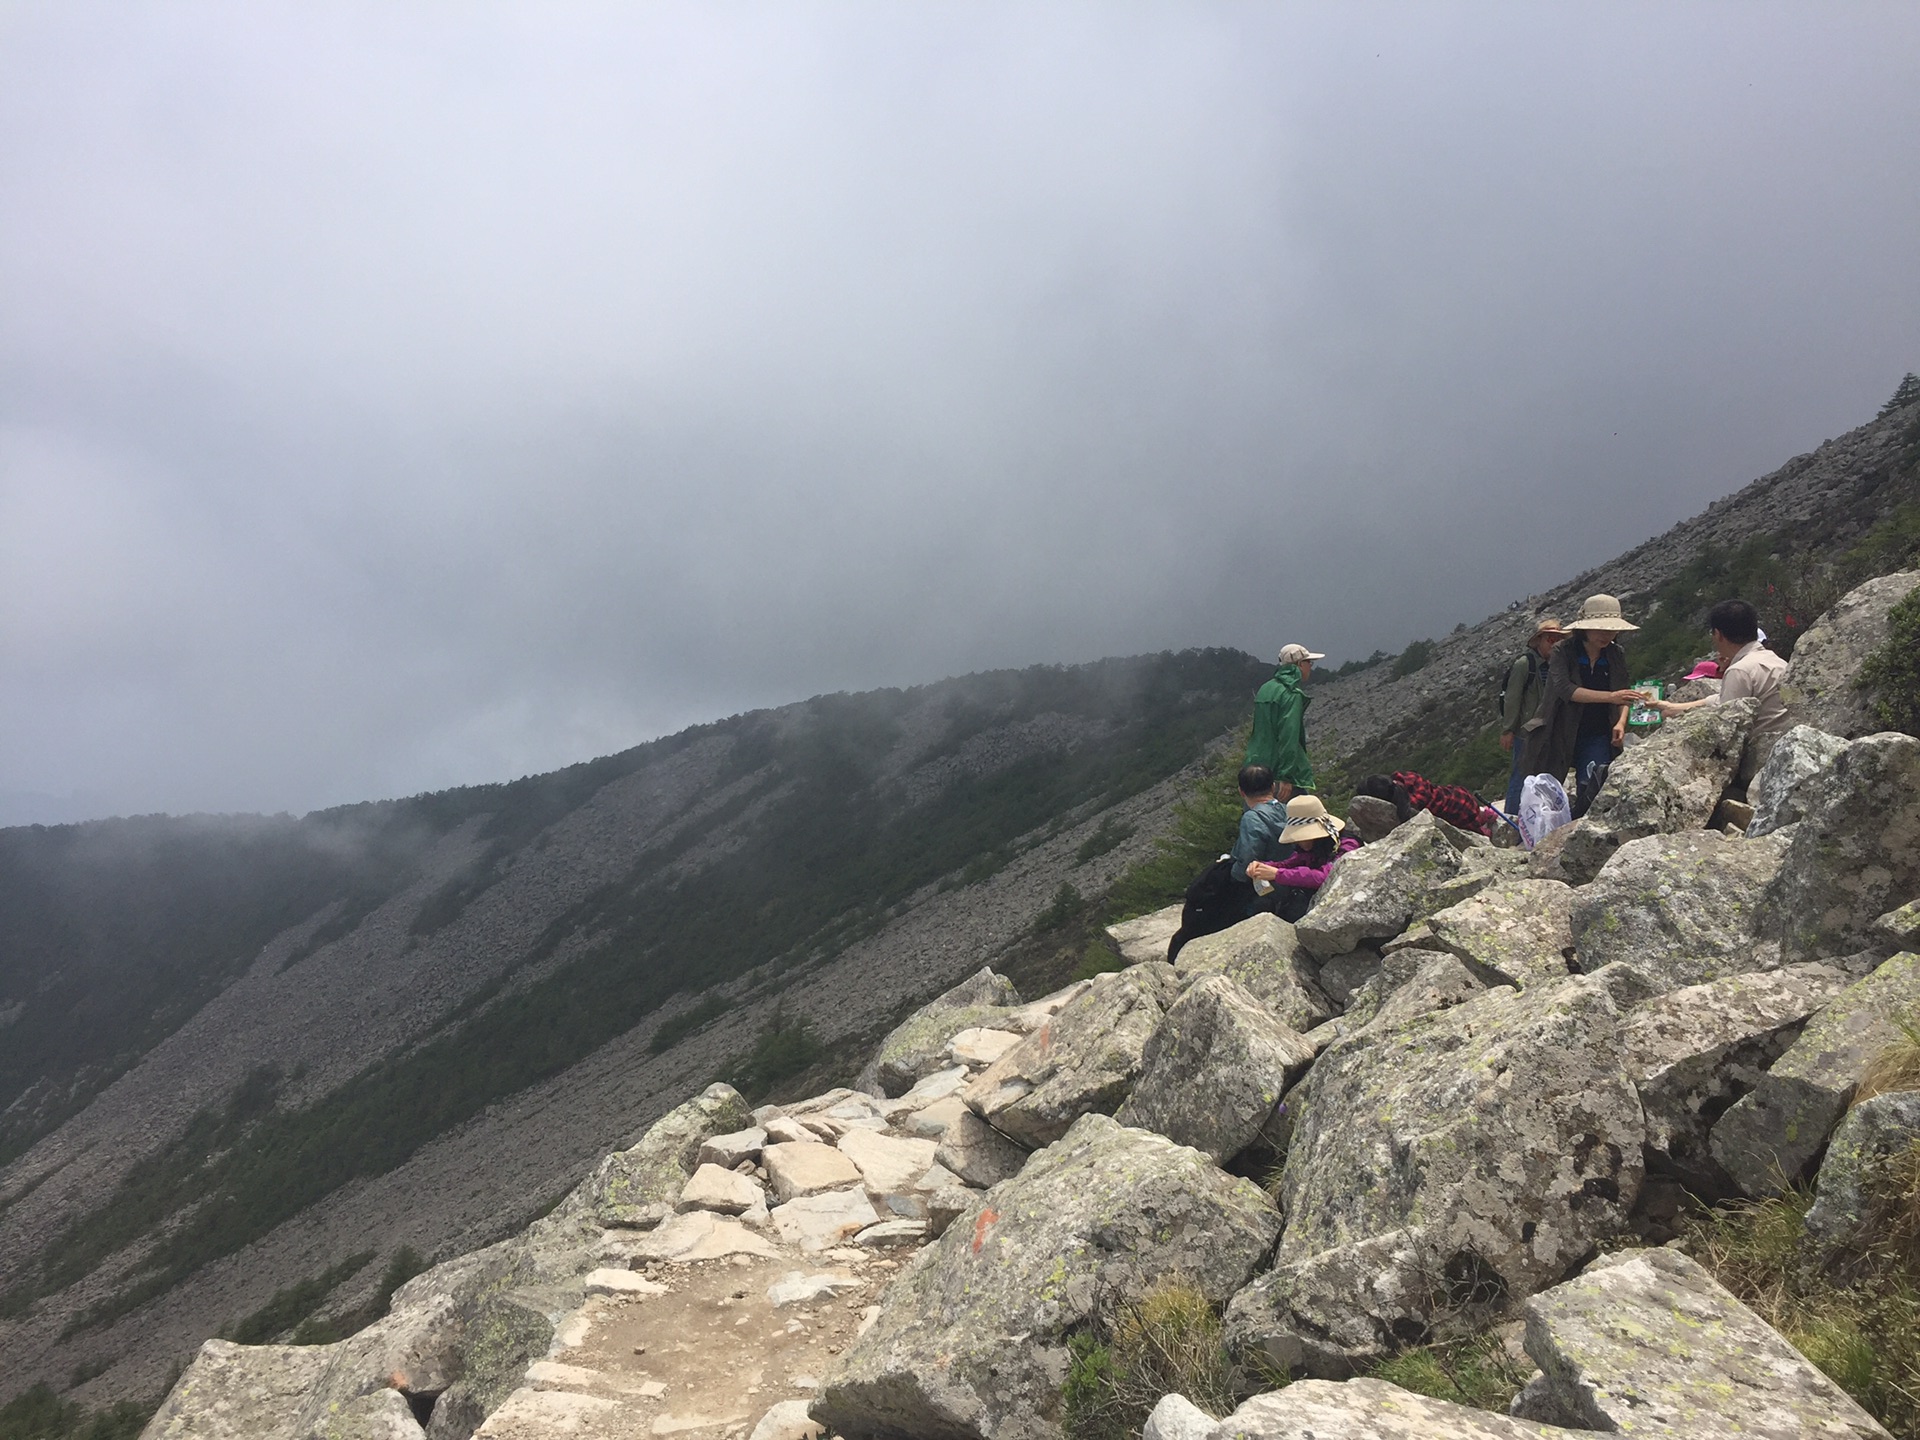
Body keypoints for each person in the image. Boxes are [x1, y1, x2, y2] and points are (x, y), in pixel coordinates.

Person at [1524, 594, 1653, 819]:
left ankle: (1579, 829)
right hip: (1558, 729)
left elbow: (1625, 693)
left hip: (1598, 731)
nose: (1607, 635)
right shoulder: (1562, 651)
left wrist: (1621, 722)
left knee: (1592, 783)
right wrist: (1611, 697)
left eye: (1611, 630)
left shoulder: (1615, 654)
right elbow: (1566, 689)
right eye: (1601, 629)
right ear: (1585, 628)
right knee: (1545, 788)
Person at [1650, 599, 1790, 786]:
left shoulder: (1739, 670)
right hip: (1784, 751)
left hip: (1757, 763)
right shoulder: (1779, 662)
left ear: (1718, 634)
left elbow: (1727, 725)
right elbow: (1725, 700)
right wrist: (1675, 707)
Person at [1245, 794, 1360, 922]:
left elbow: (1327, 876)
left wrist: (1277, 874)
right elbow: (1290, 863)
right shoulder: (1315, 847)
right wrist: (1264, 867)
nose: (1300, 842)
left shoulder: (1348, 845)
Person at [1498, 617, 1567, 814]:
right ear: (1538, 640)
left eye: (1558, 639)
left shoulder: (1559, 665)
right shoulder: (1524, 664)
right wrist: (1508, 730)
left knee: (1546, 774)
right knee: (1521, 775)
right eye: (1550, 639)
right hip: (1526, 732)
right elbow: (1512, 699)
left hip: (1550, 729)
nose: (1554, 644)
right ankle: (1512, 819)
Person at [1246, 644, 1321, 800]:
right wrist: (1286, 776)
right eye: (1309, 663)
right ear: (1299, 664)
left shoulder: (1266, 688)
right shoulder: (1292, 694)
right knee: (1299, 819)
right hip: (1280, 774)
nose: (1310, 667)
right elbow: (1289, 735)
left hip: (1258, 768)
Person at [1228, 763, 1292, 917]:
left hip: (1270, 888)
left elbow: (1249, 857)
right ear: (1273, 787)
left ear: (1241, 792)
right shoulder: (1289, 809)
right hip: (1296, 878)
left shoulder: (1252, 818)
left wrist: (1230, 874)